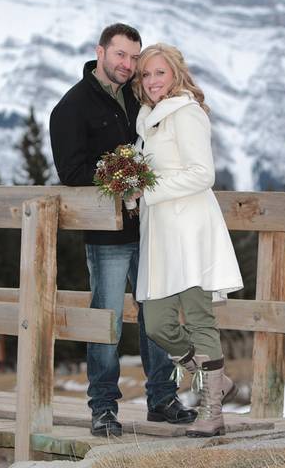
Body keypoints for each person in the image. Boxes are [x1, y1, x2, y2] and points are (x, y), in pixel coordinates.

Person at [49, 23, 196, 437]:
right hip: (107, 237)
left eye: (134, 57)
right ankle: (103, 408)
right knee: (108, 321)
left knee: (158, 315)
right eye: (121, 56)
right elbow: (71, 172)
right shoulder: (71, 107)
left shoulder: (137, 98)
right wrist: (118, 176)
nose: (128, 65)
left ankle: (163, 400)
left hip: (151, 228)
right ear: (100, 52)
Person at [130, 43, 244, 438]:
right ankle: (218, 380)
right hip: (160, 233)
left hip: (190, 229)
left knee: (198, 319)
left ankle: (213, 410)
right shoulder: (147, 118)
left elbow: (202, 174)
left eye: (158, 72)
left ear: (175, 74)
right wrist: (132, 189)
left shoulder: (188, 113)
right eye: (144, 75)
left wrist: (148, 190)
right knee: (157, 324)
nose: (151, 81)